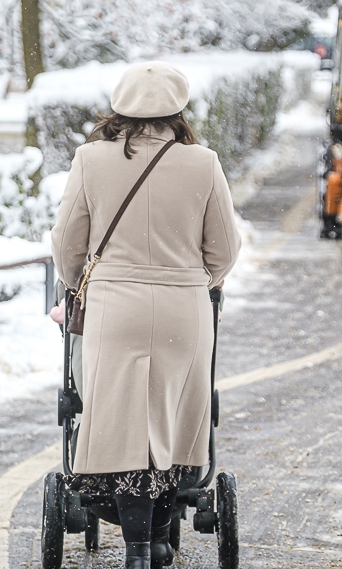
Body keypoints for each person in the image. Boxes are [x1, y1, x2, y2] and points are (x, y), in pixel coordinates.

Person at [51, 61, 242, 569]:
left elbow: (67, 243)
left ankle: (135, 546)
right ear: (178, 112)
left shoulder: (91, 160)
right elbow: (223, 251)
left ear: (120, 110)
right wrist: (192, 271)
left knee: (120, 420)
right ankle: (159, 536)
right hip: (183, 309)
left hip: (115, 311)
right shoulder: (202, 163)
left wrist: (76, 285)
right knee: (174, 419)